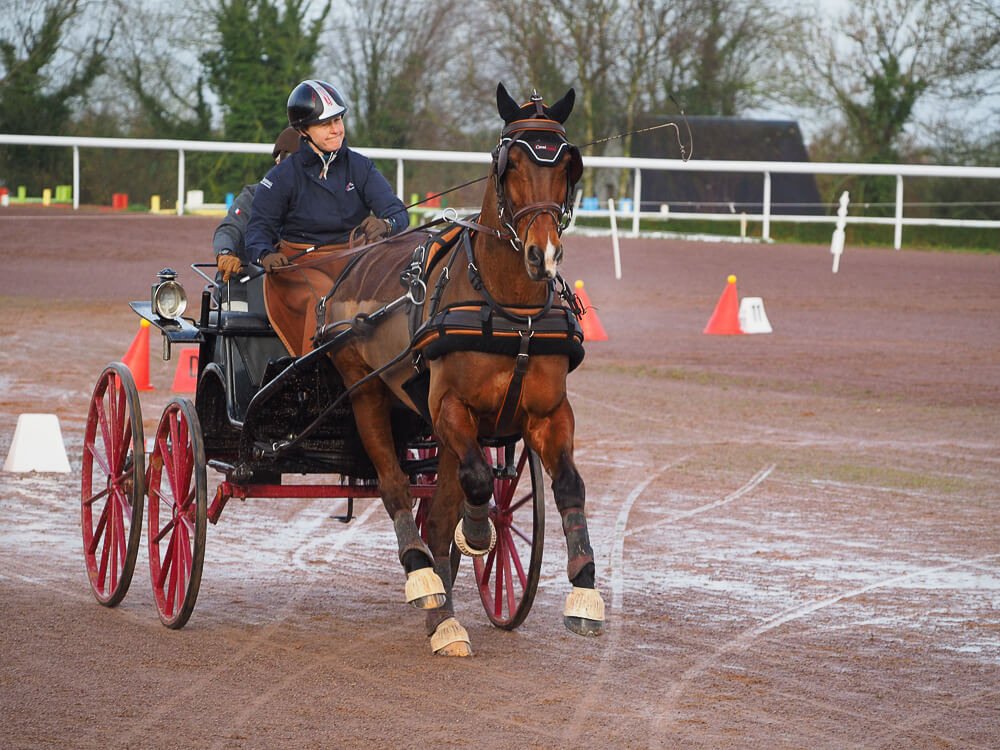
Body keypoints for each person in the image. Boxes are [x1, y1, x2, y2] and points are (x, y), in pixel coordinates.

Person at [244, 80, 409, 273]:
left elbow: (397, 211)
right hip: (302, 267)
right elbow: (258, 229)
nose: (336, 130)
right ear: (303, 130)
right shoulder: (281, 176)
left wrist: (387, 224)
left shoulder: (361, 166)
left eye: (338, 120)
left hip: (356, 263)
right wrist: (265, 254)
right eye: (325, 124)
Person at [214, 126, 302, 289]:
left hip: (295, 289)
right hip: (243, 287)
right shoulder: (251, 197)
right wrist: (225, 253)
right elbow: (228, 229)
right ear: (278, 163)